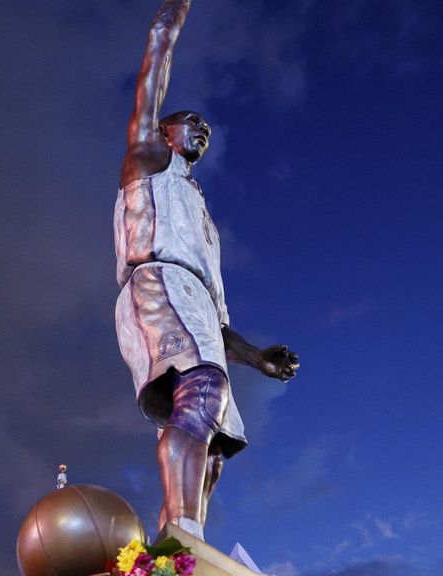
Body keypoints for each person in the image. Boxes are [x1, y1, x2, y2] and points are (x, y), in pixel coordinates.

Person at [114, 0, 299, 541]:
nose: (202, 131)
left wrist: (258, 358)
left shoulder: (199, 215)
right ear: (165, 131)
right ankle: (185, 536)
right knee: (200, 390)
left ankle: (173, 547)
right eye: (191, 123)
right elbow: (156, 59)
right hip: (156, 280)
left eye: (207, 130)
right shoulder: (148, 159)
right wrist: (170, 18)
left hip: (193, 300)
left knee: (215, 445)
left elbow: (216, 324)